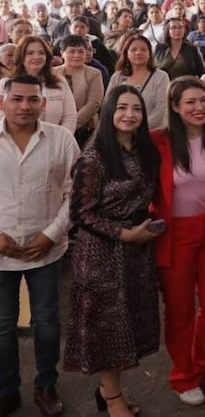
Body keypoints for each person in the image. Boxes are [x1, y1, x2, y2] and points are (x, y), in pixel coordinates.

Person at [63, 86, 161, 416]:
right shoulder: (95, 157)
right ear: (108, 113)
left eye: (136, 108)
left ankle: (108, 390)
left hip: (136, 253)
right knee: (108, 331)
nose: (129, 114)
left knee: (126, 327)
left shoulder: (146, 151)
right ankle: (113, 398)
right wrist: (124, 234)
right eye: (121, 108)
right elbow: (79, 213)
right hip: (101, 255)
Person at [150, 76, 205, 406]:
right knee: (180, 309)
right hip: (173, 235)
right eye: (190, 102)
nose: (199, 108)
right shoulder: (159, 141)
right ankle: (183, 375)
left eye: (204, 100)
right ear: (175, 107)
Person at [0, 75, 80, 417]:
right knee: (2, 325)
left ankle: (45, 385)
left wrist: (51, 233)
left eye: (32, 100)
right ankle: (6, 390)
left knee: (47, 322)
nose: (24, 106)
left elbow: (76, 193)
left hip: (46, 248)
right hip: (0, 252)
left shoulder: (61, 139)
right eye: (17, 99)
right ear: (3, 101)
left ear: (42, 103)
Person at [10, 35, 77, 133]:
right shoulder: (7, 84)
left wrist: (60, 140)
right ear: (21, 56)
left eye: (41, 53)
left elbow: (70, 116)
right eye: (30, 53)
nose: (36, 57)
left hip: (55, 142)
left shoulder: (59, 81)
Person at [107, 33, 170, 130]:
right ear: (126, 54)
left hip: (151, 133)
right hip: (119, 131)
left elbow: (161, 110)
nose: (138, 53)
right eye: (133, 50)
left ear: (150, 53)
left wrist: (137, 129)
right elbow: (108, 105)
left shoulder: (161, 77)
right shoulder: (117, 77)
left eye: (143, 49)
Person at [54, 34, 105, 146]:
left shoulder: (94, 73)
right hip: (55, 128)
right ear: (62, 53)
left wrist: (70, 125)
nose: (77, 55)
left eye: (81, 52)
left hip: (85, 131)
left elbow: (94, 103)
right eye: (72, 51)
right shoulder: (52, 73)